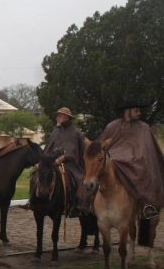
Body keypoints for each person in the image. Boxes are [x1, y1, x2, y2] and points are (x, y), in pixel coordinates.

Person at [98, 99, 164, 238]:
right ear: (127, 111)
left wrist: (136, 156)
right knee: (99, 169)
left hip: (138, 160)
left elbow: (147, 149)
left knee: (145, 168)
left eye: (139, 111)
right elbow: (102, 146)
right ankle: (89, 204)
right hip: (116, 158)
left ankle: (147, 204)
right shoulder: (112, 126)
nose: (139, 113)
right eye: (136, 110)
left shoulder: (144, 128)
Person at [43, 107, 86, 216]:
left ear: (67, 118)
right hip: (52, 162)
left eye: (61, 115)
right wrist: (43, 159)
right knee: (37, 174)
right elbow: (48, 148)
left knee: (80, 179)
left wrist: (63, 158)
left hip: (70, 164)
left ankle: (77, 205)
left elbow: (76, 151)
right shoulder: (55, 131)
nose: (58, 117)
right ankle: (33, 201)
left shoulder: (75, 132)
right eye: (58, 115)